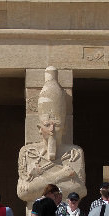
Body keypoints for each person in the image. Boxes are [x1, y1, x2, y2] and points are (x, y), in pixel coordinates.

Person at [16, 67, 86, 206]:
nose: (52, 130)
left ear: (64, 129)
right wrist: (61, 176)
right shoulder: (27, 152)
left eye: (57, 125)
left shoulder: (75, 153)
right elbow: (23, 192)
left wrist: (39, 181)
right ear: (39, 128)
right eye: (47, 124)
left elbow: (80, 190)